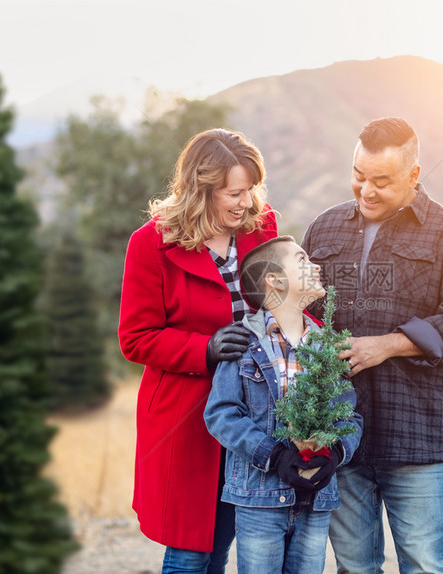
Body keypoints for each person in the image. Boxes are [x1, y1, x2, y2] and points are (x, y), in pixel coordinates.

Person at [301, 117, 443, 574]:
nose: (366, 190)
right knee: (354, 567)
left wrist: (387, 345)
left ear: (414, 175)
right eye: (359, 176)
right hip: (340, 432)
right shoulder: (322, 231)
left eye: (381, 181)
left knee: (423, 565)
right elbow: (299, 314)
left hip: (416, 432)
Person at [118, 128, 278, 574]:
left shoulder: (262, 228)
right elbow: (136, 337)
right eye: (234, 193)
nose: (246, 203)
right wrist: (204, 348)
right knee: (190, 552)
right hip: (183, 419)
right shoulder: (150, 243)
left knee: (222, 542)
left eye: (251, 190)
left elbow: (278, 304)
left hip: (248, 414)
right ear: (200, 190)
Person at [204, 236, 363, 574]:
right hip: (258, 499)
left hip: (316, 501)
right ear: (274, 280)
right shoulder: (244, 342)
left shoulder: (326, 346)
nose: (315, 265)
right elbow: (221, 414)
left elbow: (350, 415)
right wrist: (273, 455)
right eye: (302, 260)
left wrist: (335, 453)